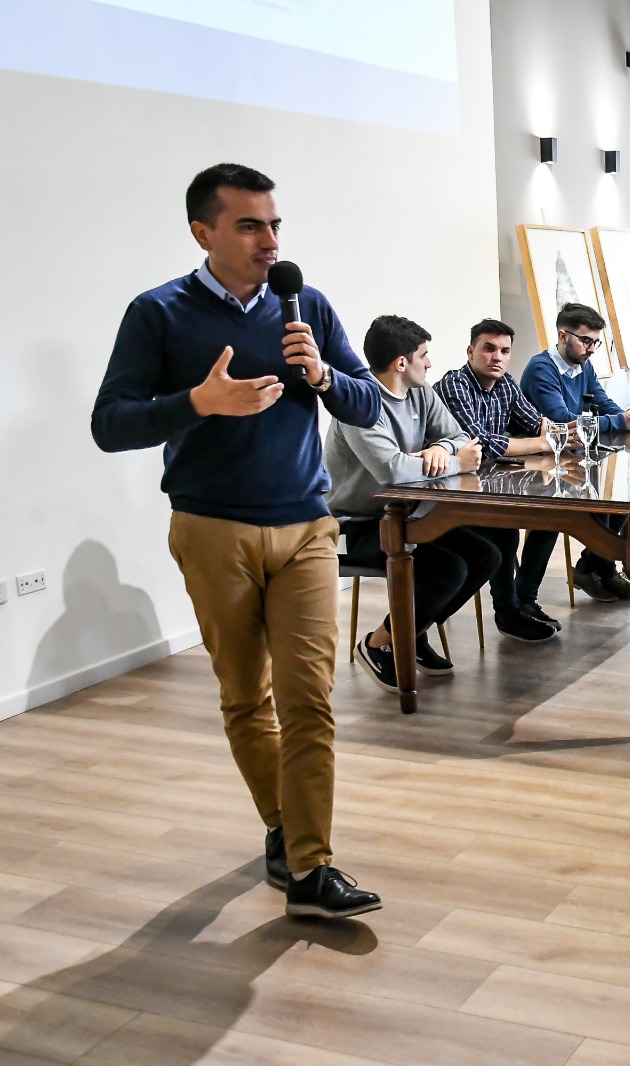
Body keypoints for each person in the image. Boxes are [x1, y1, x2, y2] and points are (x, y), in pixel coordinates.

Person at [90, 163, 384, 919]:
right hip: (213, 529)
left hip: (306, 526)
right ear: (203, 232)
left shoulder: (306, 306)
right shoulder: (158, 313)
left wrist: (324, 376)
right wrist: (198, 401)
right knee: (248, 699)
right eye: (250, 225)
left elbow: (368, 403)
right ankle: (284, 828)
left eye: (274, 224)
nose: (269, 241)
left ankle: (312, 868)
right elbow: (110, 424)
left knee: (310, 699)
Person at [326, 315, 492, 690]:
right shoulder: (358, 404)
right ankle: (378, 643)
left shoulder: (420, 391)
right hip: (356, 525)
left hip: (407, 515)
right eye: (424, 355)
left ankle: (410, 631)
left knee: (486, 555)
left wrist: (439, 450)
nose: (430, 363)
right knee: (447, 570)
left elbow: (460, 436)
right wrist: (455, 462)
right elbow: (392, 471)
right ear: (401, 362)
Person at [433, 319, 560, 642]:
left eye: (504, 351)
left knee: (551, 516)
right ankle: (507, 611)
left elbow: (537, 424)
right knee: (504, 529)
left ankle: (523, 602)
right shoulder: (454, 385)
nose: (497, 357)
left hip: (486, 484)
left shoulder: (506, 384)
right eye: (489, 349)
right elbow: (481, 443)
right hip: (444, 492)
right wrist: (542, 443)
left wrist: (546, 435)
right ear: (470, 351)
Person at [518, 302, 630, 602]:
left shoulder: (583, 365)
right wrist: (617, 422)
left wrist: (627, 417)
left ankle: (595, 567)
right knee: (555, 518)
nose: (592, 349)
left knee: (619, 497)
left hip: (570, 459)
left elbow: (602, 402)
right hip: (539, 465)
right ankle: (527, 598)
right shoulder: (541, 369)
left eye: (596, 342)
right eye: (586, 341)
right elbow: (563, 422)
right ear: (563, 336)